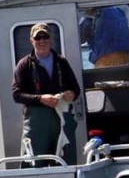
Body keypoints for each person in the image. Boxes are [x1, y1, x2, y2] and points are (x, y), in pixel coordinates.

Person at [12, 23, 81, 165]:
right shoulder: (24, 65)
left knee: (65, 163)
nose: (42, 41)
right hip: (36, 125)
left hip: (61, 122)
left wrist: (71, 94)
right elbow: (16, 95)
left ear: (51, 39)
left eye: (45, 37)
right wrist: (40, 99)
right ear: (32, 40)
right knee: (34, 165)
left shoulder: (61, 62)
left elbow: (76, 89)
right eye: (38, 38)